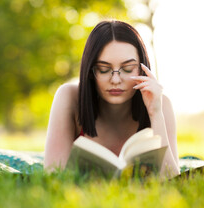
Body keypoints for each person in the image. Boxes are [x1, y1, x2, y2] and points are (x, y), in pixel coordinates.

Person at [44, 20, 180, 177]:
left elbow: (173, 180)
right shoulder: (69, 97)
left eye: (128, 69)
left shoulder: (161, 104)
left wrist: (155, 114)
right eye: (103, 69)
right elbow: (53, 174)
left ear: (142, 69)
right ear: (90, 71)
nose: (115, 80)